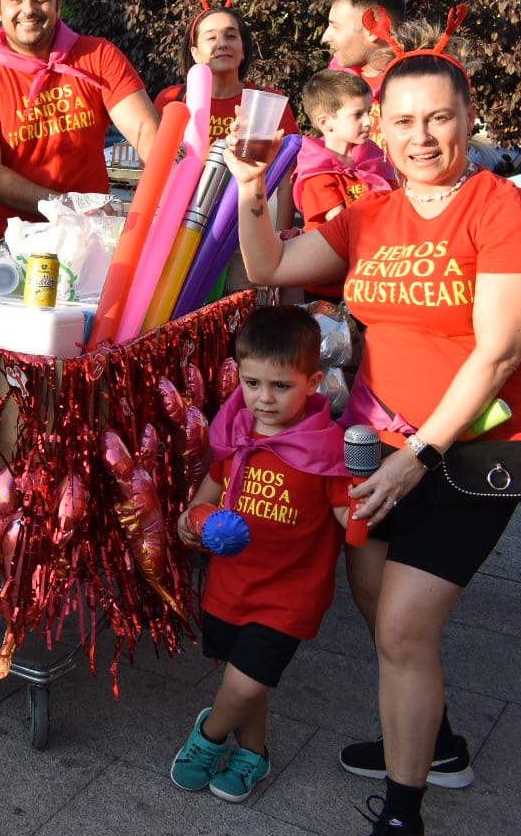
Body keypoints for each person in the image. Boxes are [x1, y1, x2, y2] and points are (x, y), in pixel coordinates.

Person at [225, 12, 521, 835]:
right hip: (376, 451)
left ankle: (403, 815)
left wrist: (420, 458)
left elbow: (496, 354)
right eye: (403, 121)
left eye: (439, 118)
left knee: (405, 627)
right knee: (384, 620)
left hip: (471, 457)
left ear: (469, 119)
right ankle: (433, 742)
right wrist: (248, 186)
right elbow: (268, 266)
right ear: (380, 126)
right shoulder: (371, 215)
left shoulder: (505, 212)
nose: (421, 136)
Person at [172, 305, 351, 803]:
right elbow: (209, 492)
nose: (263, 398)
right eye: (252, 384)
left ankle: (207, 739)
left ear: (313, 382)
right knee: (245, 681)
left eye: (280, 386)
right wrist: (191, 521)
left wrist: (370, 509)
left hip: (291, 595)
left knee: (245, 684)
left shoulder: (327, 450)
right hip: (232, 586)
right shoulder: (235, 435)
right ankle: (253, 754)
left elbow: (347, 516)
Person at [0, 0, 159, 252]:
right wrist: (65, 206)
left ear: (58, 3)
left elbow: (146, 135)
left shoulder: (97, 55)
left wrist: (169, 190)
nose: (29, 9)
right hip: (9, 249)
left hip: (89, 242)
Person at [154, 0, 297, 144]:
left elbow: (291, 163)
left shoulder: (267, 102)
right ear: (195, 53)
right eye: (211, 38)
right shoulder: (172, 100)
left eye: (231, 36)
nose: (222, 44)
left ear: (243, 50)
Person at [293, 70, 395, 231]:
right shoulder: (317, 175)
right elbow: (341, 226)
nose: (368, 121)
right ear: (326, 123)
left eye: (368, 112)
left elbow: (396, 204)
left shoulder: (373, 159)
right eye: (357, 115)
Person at [322, 0, 408, 100]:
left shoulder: (418, 86)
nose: (325, 37)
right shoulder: (334, 84)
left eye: (336, 27)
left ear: (374, 29)